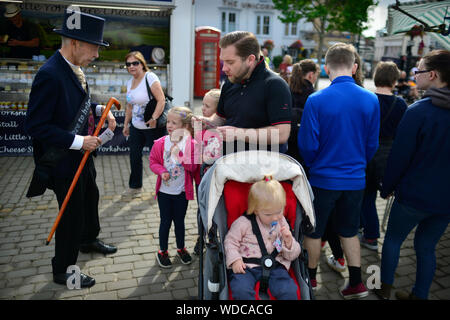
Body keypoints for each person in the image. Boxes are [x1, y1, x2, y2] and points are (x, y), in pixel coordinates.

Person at [24, 8, 117, 288]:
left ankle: (88, 239)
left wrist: (100, 108)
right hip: (64, 160)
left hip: (83, 156)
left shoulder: (75, 68)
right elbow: (35, 126)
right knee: (70, 213)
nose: (97, 54)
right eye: (94, 48)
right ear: (75, 43)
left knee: (91, 196)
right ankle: (64, 270)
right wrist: (79, 141)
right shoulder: (50, 74)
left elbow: (76, 104)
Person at [297, 43, 380, 299]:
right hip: (355, 179)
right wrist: (356, 164)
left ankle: (309, 279)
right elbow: (371, 144)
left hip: (323, 178)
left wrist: (316, 165)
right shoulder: (371, 98)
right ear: (355, 67)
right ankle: (357, 283)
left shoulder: (316, 99)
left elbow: (307, 145)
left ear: (326, 67)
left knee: (314, 230)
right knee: (350, 230)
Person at [374, 50, 450, 300]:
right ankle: (420, 295)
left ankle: (384, 289)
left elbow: (399, 156)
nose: (414, 74)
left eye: (418, 70)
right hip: (445, 200)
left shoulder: (418, 111)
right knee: (427, 247)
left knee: (393, 240)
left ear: (434, 74)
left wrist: (387, 187)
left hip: (413, 195)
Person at [196, 31, 292, 155]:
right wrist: (206, 122)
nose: (224, 68)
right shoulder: (229, 82)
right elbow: (221, 118)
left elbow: (282, 134)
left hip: (263, 168)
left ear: (250, 59)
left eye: (230, 62)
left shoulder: (275, 85)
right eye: (223, 62)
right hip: (229, 163)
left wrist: (238, 134)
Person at [224, 177, 301, 300]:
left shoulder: (282, 223)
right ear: (255, 210)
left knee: (289, 290)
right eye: (268, 214)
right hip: (247, 266)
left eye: (279, 211)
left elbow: (291, 255)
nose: (275, 217)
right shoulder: (243, 223)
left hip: (275, 266)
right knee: (241, 290)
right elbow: (230, 241)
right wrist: (235, 260)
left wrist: (289, 242)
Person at [360, 61, 407, 251]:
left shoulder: (366, 99)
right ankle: (370, 235)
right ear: (394, 80)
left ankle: (364, 231)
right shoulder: (401, 104)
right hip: (386, 156)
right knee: (371, 196)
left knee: (363, 196)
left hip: (364, 153)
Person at [149, 106, 200, 268]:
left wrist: (180, 154)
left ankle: (181, 248)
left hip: (181, 192)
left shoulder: (192, 145)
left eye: (174, 123)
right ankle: (162, 251)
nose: (169, 125)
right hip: (164, 192)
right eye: (168, 122)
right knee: (165, 221)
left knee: (179, 221)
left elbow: (193, 167)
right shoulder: (160, 143)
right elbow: (153, 162)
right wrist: (161, 171)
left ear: (185, 127)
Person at [122, 51, 166, 193]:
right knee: (134, 156)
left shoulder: (150, 77)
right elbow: (129, 106)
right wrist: (126, 124)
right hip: (136, 127)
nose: (132, 66)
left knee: (159, 158)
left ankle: (166, 185)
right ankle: (135, 186)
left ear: (142, 64)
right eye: (128, 64)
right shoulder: (129, 82)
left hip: (152, 127)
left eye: (135, 63)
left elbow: (161, 100)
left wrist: (154, 118)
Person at [286, 59, 319, 165]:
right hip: (304, 145)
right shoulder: (314, 96)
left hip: (286, 143)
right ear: (310, 75)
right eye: (316, 75)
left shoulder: (286, 90)